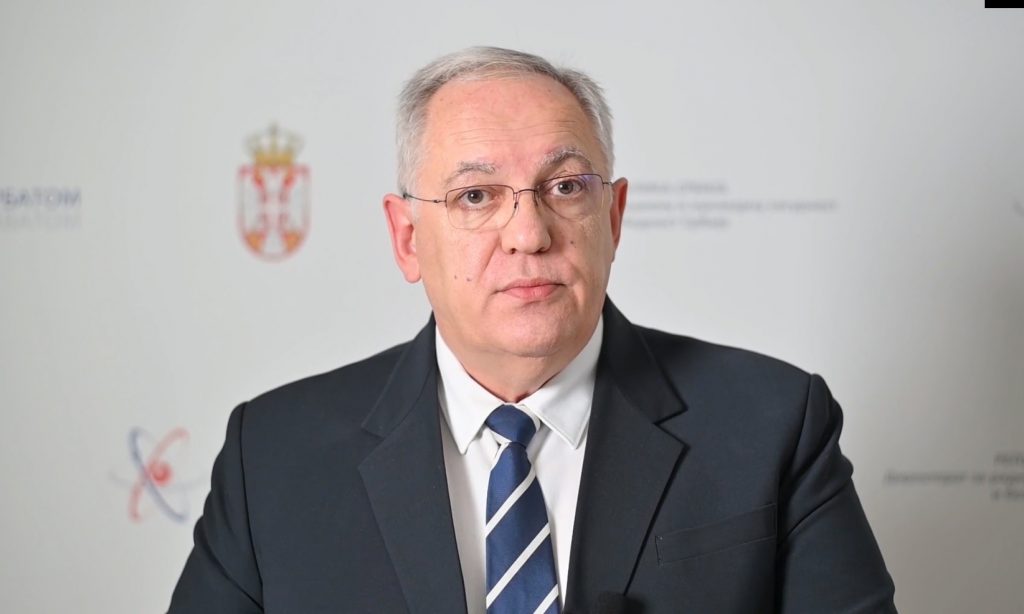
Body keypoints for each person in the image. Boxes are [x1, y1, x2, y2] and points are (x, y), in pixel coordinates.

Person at [169, 47, 896, 613]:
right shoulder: (273, 455)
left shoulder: (773, 424)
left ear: (613, 218)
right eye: (475, 196)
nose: (528, 233)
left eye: (566, 187)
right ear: (406, 237)